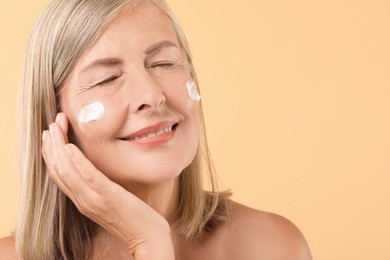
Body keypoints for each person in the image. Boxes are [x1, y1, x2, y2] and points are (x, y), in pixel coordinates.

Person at [0, 0, 312, 259]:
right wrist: (148, 241)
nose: (151, 95)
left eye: (164, 63)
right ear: (53, 119)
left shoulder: (271, 246)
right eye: (107, 79)